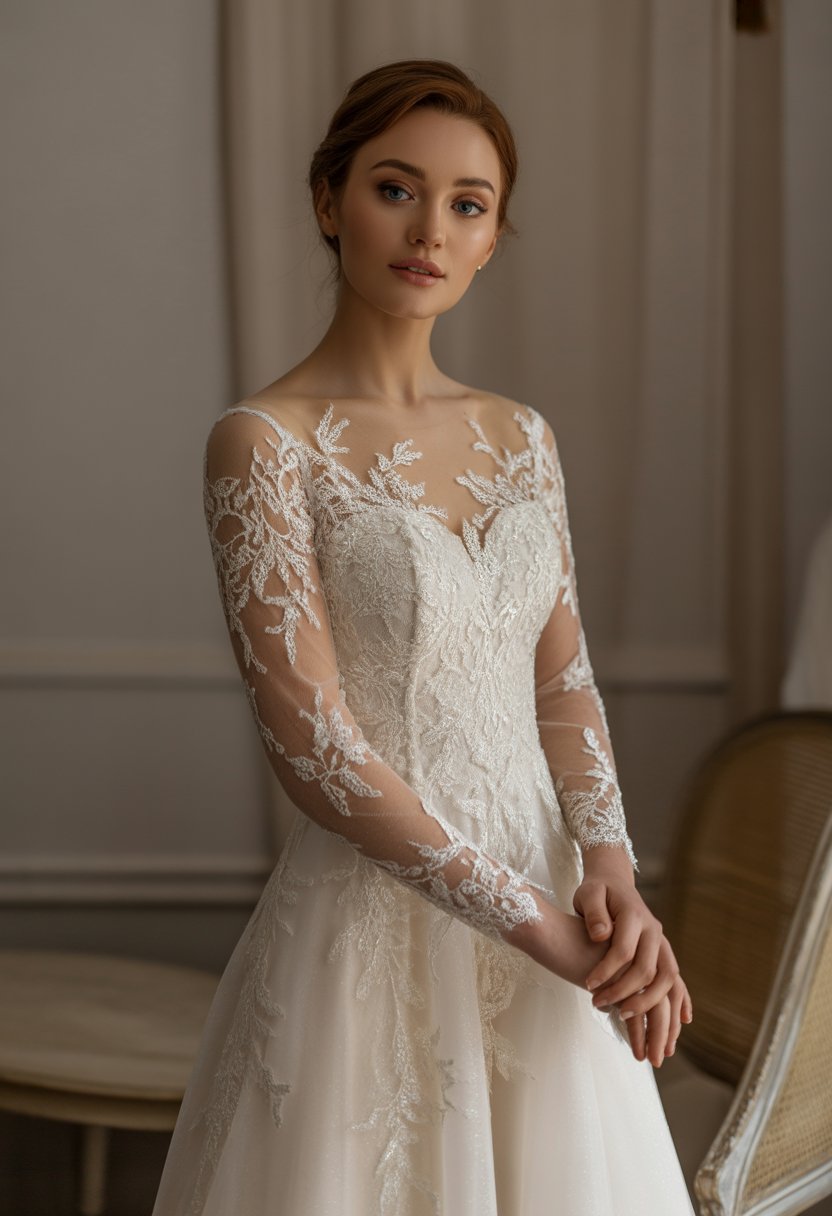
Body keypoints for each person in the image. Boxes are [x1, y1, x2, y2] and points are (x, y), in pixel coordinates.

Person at [152, 59, 695, 1215]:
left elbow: (564, 680)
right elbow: (315, 749)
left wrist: (611, 876)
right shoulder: (261, 442)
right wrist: (543, 928)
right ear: (326, 200)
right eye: (396, 188)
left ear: (493, 237)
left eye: (467, 204)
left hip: (556, 907)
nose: (428, 229)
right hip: (373, 927)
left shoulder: (522, 437)